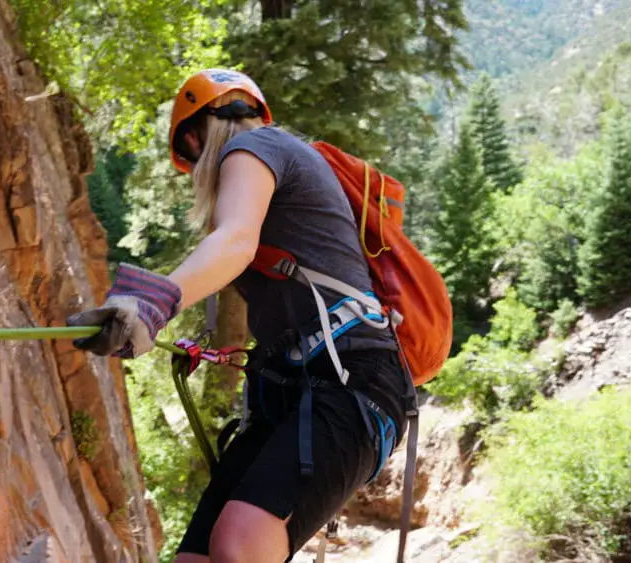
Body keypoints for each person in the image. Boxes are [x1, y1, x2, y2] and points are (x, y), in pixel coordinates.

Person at [66, 68, 411, 563]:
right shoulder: (279, 159)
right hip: (304, 389)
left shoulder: (252, 149)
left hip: (350, 381)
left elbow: (233, 242)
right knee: (199, 557)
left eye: (187, 155)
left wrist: (148, 303)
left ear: (194, 135)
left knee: (238, 545)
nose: (193, 168)